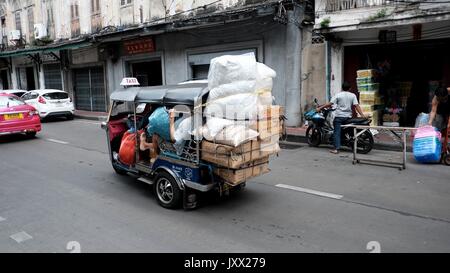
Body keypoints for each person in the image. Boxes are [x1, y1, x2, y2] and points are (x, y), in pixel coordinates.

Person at [316, 81, 367, 154]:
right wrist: (362, 115)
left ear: (342, 88)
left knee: (336, 132)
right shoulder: (352, 95)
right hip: (348, 117)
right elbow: (356, 106)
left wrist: (320, 108)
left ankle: (336, 149)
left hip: (339, 117)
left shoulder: (338, 95)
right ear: (350, 88)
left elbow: (330, 103)